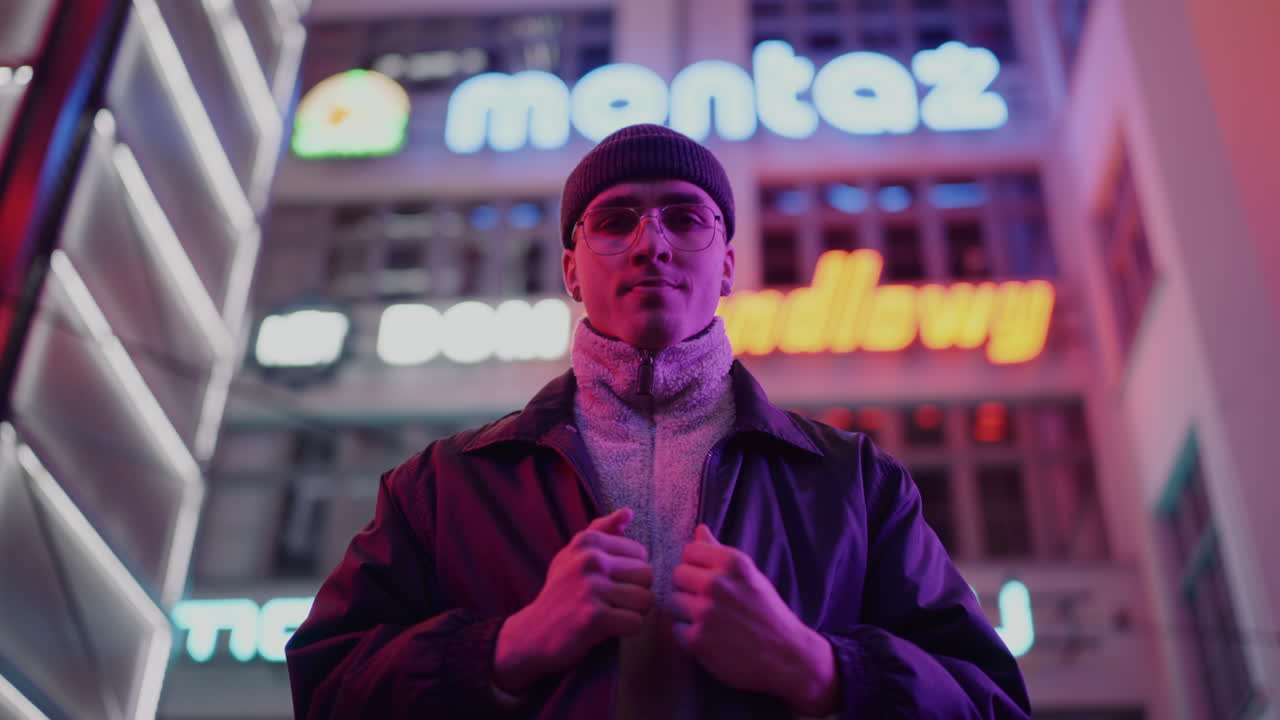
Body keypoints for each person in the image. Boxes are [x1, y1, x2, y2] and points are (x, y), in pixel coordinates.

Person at [285, 124, 1032, 719]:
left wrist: (817, 669)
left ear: (730, 265)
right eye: (614, 221)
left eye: (684, 216)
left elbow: (990, 703)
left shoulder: (853, 484)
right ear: (573, 270)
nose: (652, 243)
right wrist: (507, 649)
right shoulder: (443, 487)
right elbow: (325, 689)